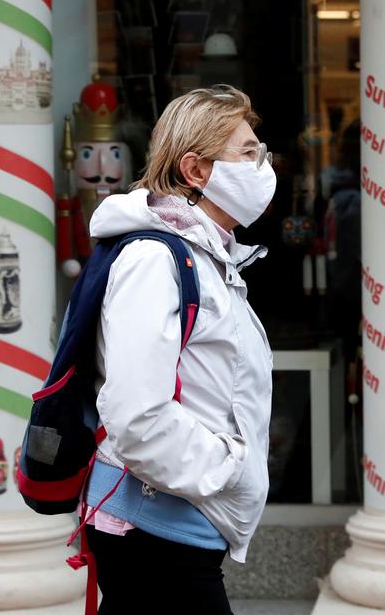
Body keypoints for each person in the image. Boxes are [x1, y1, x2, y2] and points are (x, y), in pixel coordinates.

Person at [83, 85, 276, 615]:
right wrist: (229, 467)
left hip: (171, 524)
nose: (263, 167)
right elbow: (136, 414)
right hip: (155, 527)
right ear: (196, 170)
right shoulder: (153, 259)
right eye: (247, 153)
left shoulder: (206, 256)